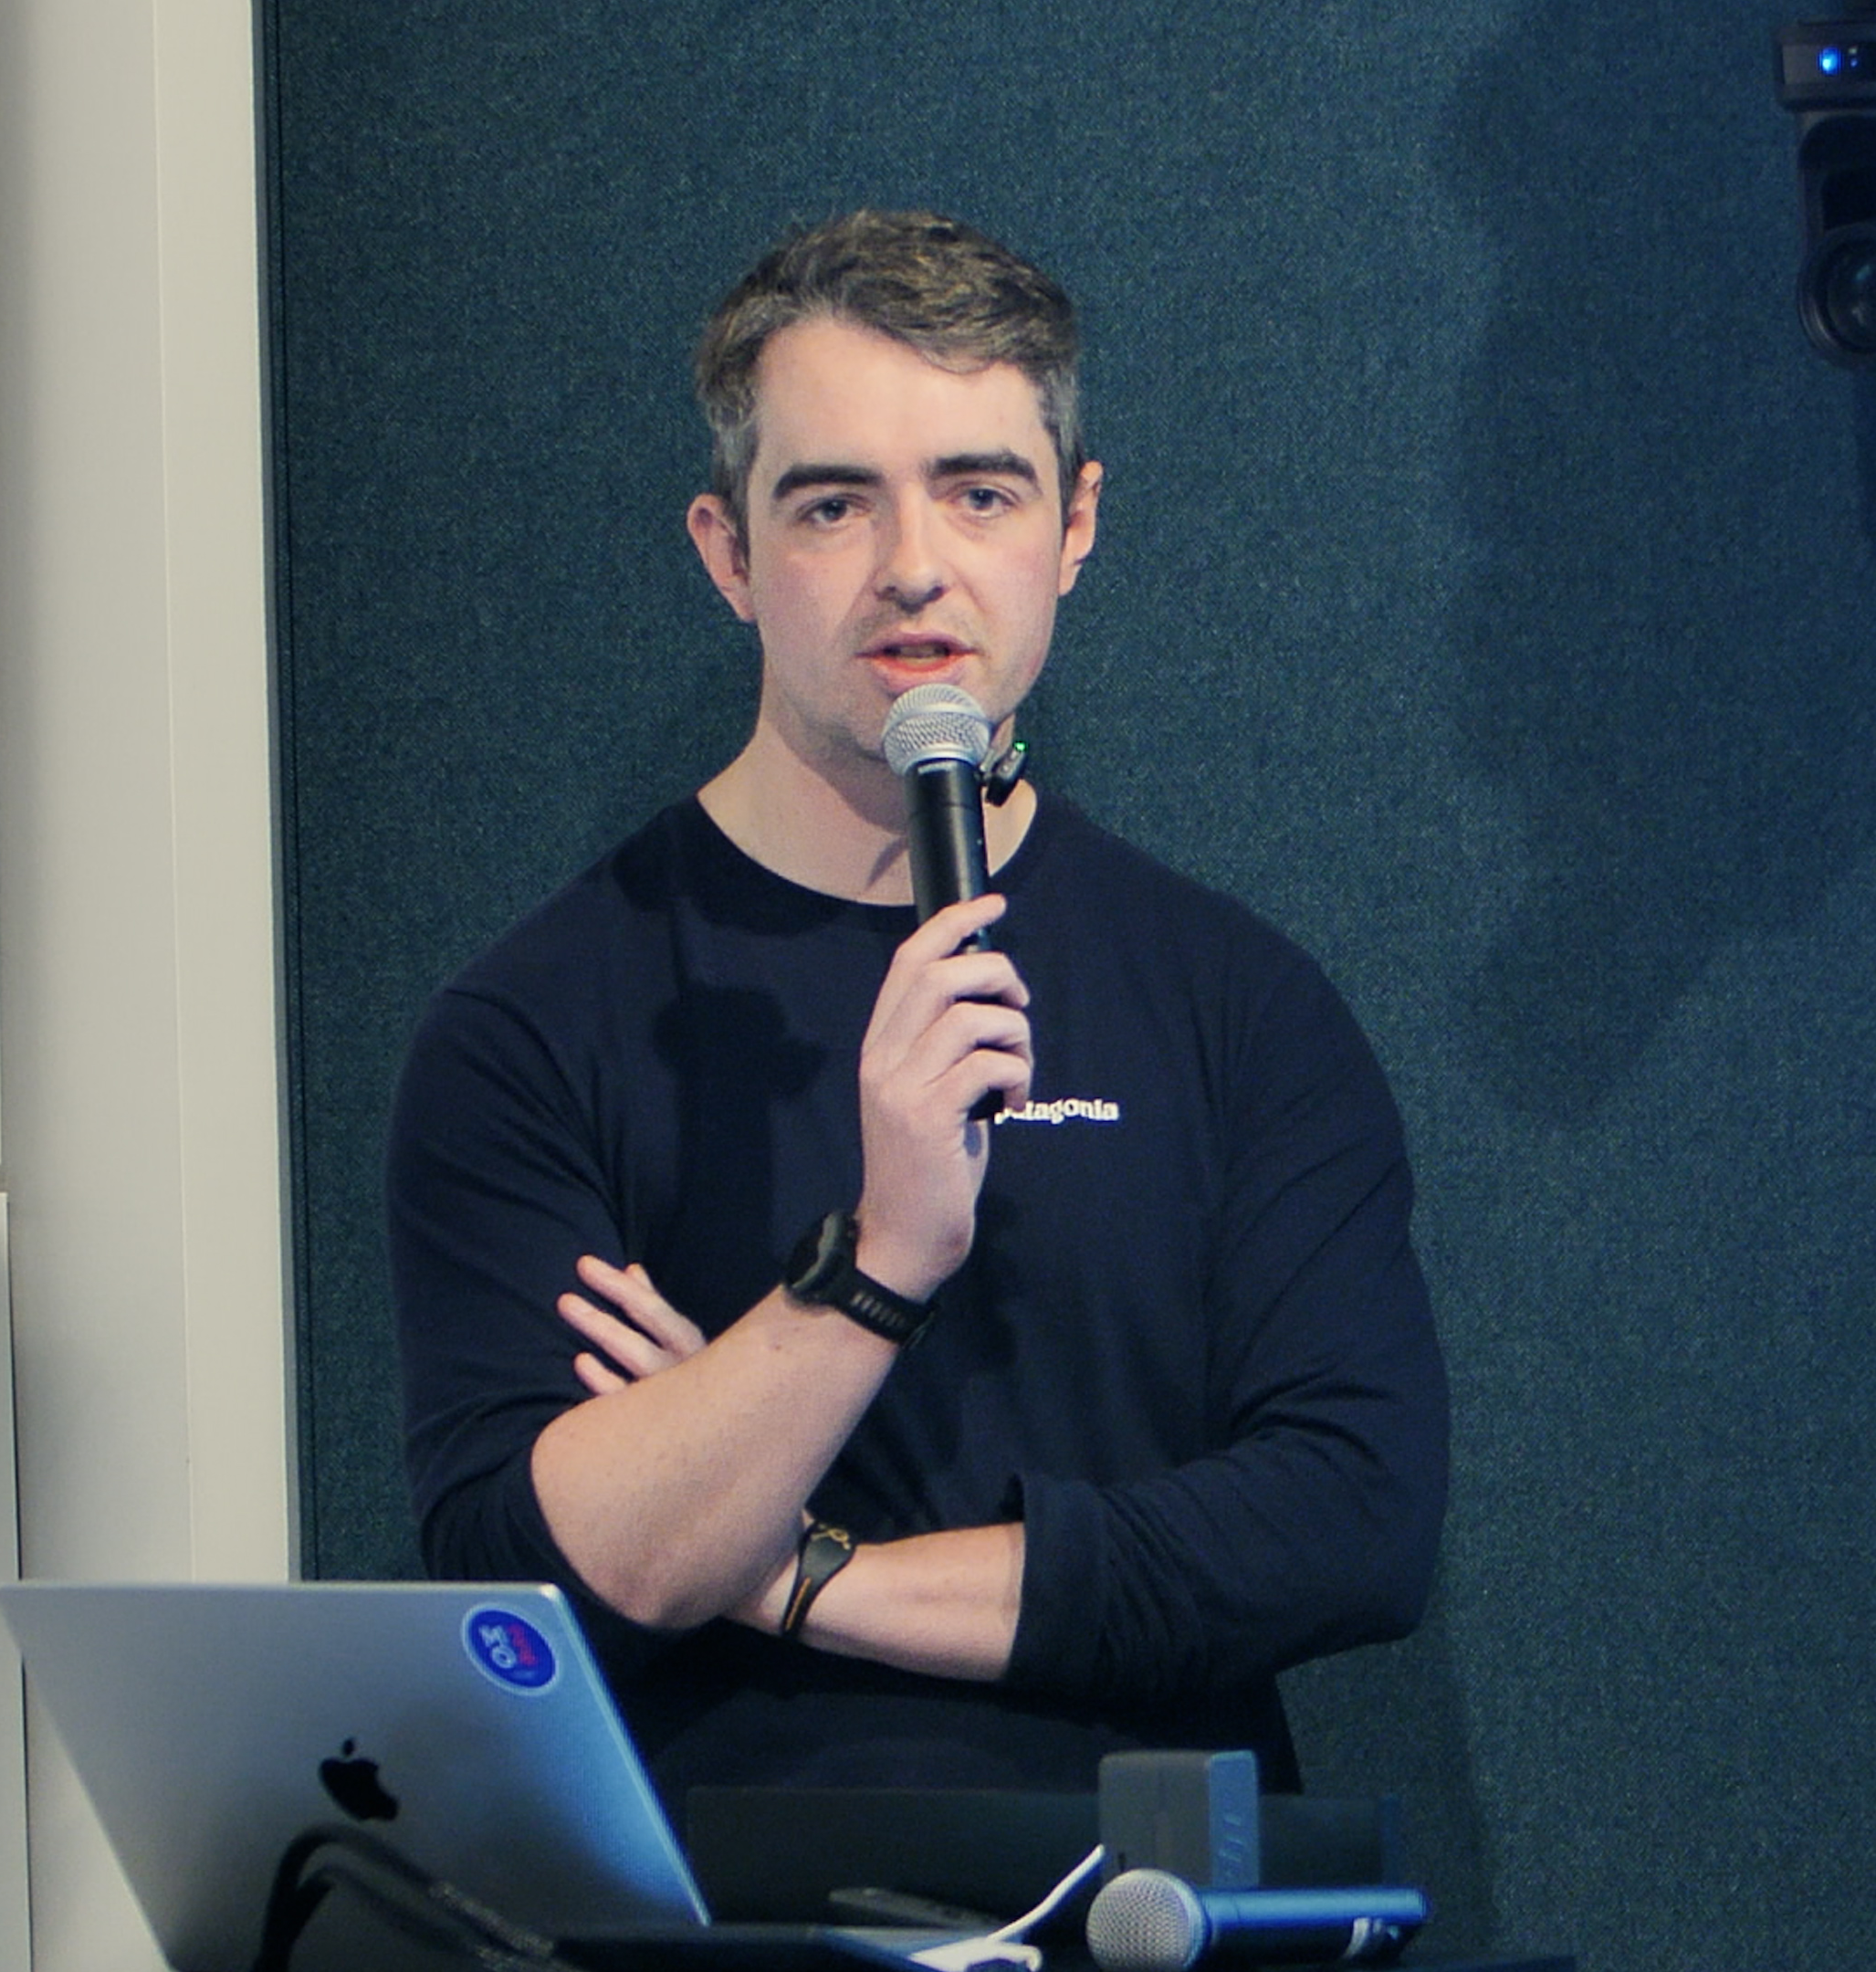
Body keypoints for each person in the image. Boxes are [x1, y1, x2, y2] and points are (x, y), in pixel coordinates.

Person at [387, 211, 1448, 1796]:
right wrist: (879, 1263)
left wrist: (795, 1571)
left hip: (1143, 1888)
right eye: (833, 504)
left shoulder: (1239, 1003)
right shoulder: (537, 1026)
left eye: (980, 491)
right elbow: (522, 1578)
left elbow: (1351, 1522)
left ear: (1075, 526)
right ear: (727, 554)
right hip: (721, 1898)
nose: (914, 566)